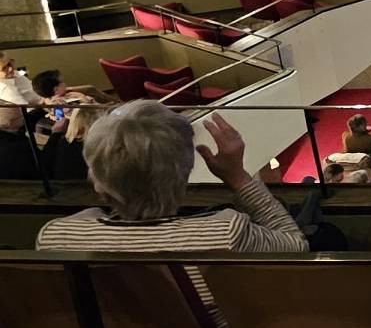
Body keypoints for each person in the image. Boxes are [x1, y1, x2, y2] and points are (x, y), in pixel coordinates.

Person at [40, 105, 309, 281]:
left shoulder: (56, 237)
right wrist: (237, 177)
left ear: (97, 181)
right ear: (184, 177)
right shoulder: (227, 233)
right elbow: (297, 247)